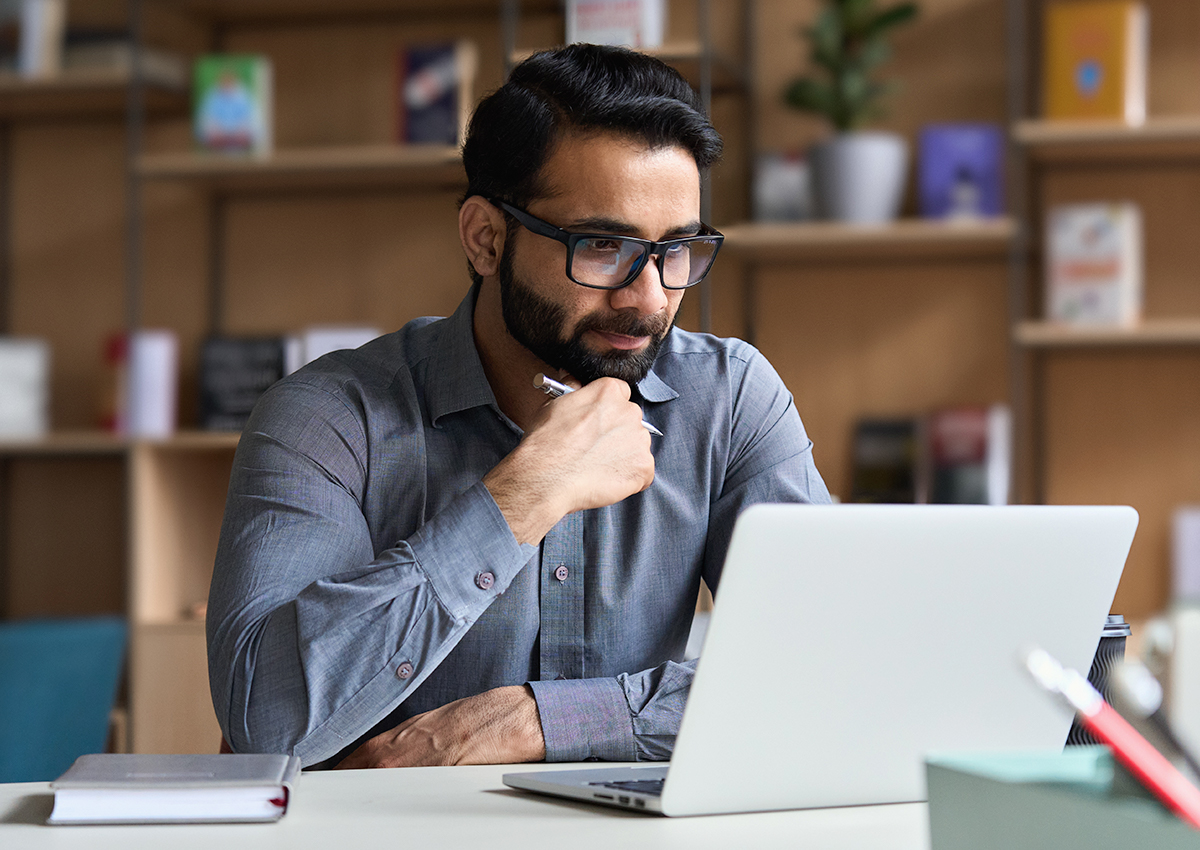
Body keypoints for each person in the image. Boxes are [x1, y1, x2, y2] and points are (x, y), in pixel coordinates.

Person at [206, 43, 830, 770]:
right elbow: (266, 722)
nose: (652, 298)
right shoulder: (327, 418)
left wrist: (533, 722)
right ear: (485, 238)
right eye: (603, 245)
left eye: (678, 249)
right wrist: (521, 498)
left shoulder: (729, 399)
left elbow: (830, 669)